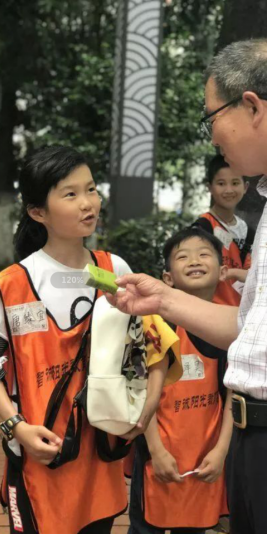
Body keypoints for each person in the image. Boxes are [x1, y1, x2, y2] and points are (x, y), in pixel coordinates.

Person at [0, 146, 180, 534]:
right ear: (37, 212)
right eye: (70, 194)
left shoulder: (114, 269)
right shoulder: (14, 283)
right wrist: (16, 427)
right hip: (39, 454)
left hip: (100, 457)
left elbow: (156, 347)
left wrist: (147, 408)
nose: (88, 203)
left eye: (92, 189)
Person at [108, 39, 267, 534]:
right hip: (251, 435)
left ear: (252, 107)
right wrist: (164, 299)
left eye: (211, 116)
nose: (212, 134)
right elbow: (249, 329)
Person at [128, 227, 232, 534]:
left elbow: (232, 396)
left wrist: (221, 452)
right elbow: (140, 392)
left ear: (223, 270)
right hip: (157, 455)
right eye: (183, 257)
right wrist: (156, 451)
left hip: (206, 459)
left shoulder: (231, 330)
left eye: (204, 254)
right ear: (167, 278)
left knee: (195, 528)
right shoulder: (157, 326)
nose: (194, 261)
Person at [192, 154, 252, 306]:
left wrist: (234, 273)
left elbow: (256, 276)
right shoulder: (201, 228)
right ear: (209, 187)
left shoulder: (250, 232)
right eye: (221, 183)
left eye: (235, 182)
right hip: (209, 313)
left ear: (245, 187)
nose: (229, 189)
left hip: (241, 316)